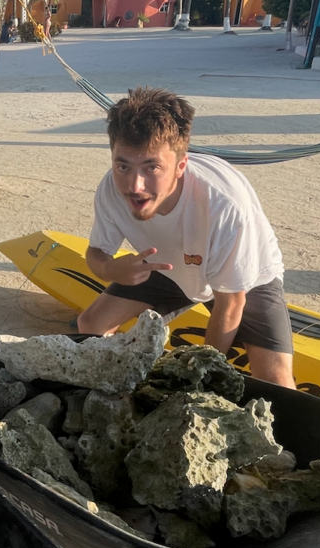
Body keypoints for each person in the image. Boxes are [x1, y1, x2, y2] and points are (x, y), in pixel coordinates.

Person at [76, 87, 295, 389]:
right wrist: (112, 270)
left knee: (277, 382)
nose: (134, 185)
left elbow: (230, 304)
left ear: (181, 166)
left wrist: (198, 379)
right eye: (122, 165)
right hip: (165, 265)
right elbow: (97, 253)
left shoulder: (223, 206)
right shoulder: (111, 189)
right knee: (89, 325)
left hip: (247, 277)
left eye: (151, 167)